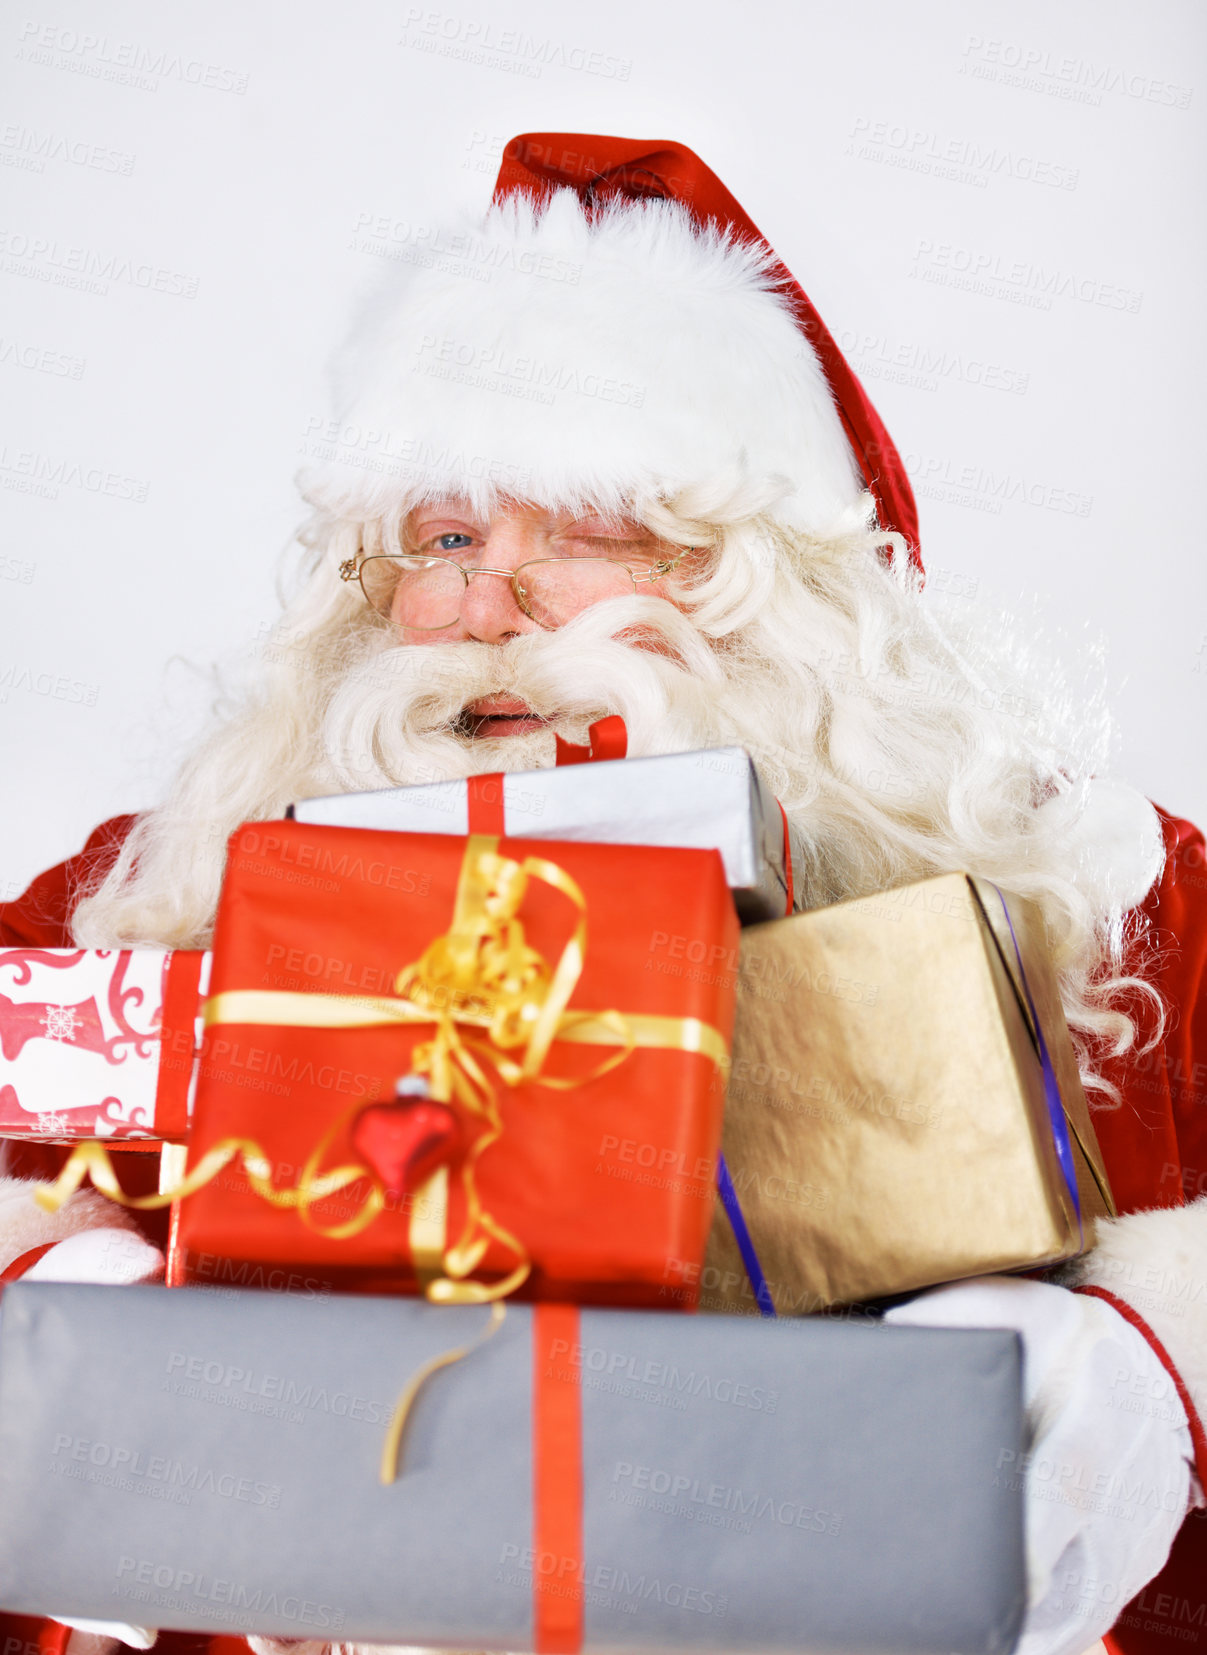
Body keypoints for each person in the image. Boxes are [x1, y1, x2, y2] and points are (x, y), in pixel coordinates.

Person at [1, 134, 1204, 1655]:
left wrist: (1166, 1370)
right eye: (444, 538)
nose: (484, 607)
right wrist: (46, 1327)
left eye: (584, 529)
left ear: (772, 580)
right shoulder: (133, 901)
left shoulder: (1120, 900)